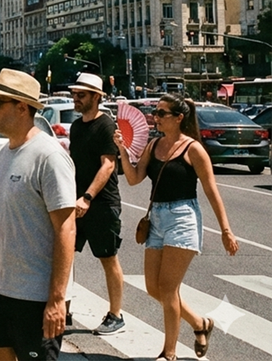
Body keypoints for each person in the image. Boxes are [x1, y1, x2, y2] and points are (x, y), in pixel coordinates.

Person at [115, 94, 238, 361]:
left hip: (182, 217)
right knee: (153, 287)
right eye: (155, 113)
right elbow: (135, 179)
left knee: (169, 288)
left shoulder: (193, 149)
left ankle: (168, 353)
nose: (155, 118)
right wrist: (123, 150)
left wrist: (226, 230)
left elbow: (211, 191)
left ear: (179, 118)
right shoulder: (153, 145)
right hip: (156, 218)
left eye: (161, 113)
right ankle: (200, 323)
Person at [0, 69, 76, 361]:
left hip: (35, 296)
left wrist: (56, 299)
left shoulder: (48, 156)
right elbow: (13, 218)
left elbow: (66, 229)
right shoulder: (6, 153)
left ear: (23, 107)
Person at [67, 72, 125, 335]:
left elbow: (108, 165)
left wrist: (88, 197)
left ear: (96, 97)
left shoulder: (107, 126)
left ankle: (116, 315)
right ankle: (63, 308)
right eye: (74, 94)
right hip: (76, 202)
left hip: (101, 204)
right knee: (64, 255)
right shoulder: (76, 126)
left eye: (81, 95)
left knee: (107, 258)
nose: (75, 99)